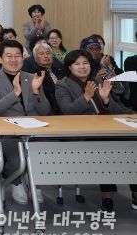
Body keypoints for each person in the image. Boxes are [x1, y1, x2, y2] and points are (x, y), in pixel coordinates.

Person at [55, 50, 136, 212]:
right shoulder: (62, 85)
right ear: (69, 67)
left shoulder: (98, 81)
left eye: (85, 63)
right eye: (77, 64)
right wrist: (86, 96)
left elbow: (115, 111)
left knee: (132, 144)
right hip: (82, 134)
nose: (82, 67)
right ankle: (107, 196)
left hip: (107, 129)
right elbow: (67, 111)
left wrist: (106, 100)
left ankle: (135, 191)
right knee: (105, 145)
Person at [0, 40, 49, 206]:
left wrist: (36, 91)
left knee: (46, 152)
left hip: (35, 131)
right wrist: (14, 93)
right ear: (0, 59)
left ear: (23, 57)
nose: (13, 60)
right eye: (9, 56)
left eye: (17, 56)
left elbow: (45, 110)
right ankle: (16, 181)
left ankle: (34, 181)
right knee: (17, 157)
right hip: (8, 133)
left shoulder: (31, 77)